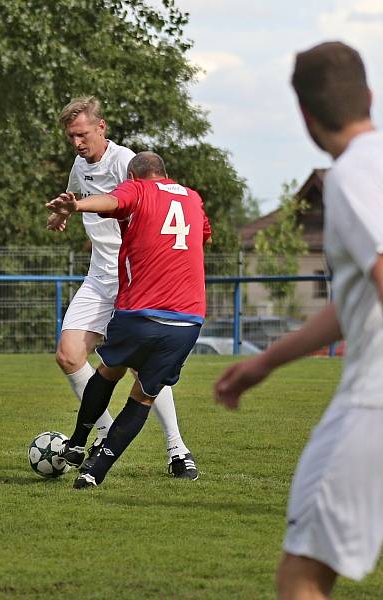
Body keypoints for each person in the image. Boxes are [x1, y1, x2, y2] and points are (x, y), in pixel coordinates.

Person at [214, 42, 383, 599]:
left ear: (306, 116)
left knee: (303, 576)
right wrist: (265, 361)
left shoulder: (355, 177)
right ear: (370, 97)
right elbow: (355, 302)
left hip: (372, 405)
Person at [48, 96, 198, 479]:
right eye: (71, 137)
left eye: (82, 134)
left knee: (141, 368)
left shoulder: (126, 163)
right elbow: (75, 193)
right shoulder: (79, 165)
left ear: (102, 127)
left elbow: (121, 201)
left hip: (134, 278)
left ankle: (177, 449)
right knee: (68, 355)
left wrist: (82, 207)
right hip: (100, 276)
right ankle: (102, 432)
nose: (77, 143)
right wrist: (62, 213)